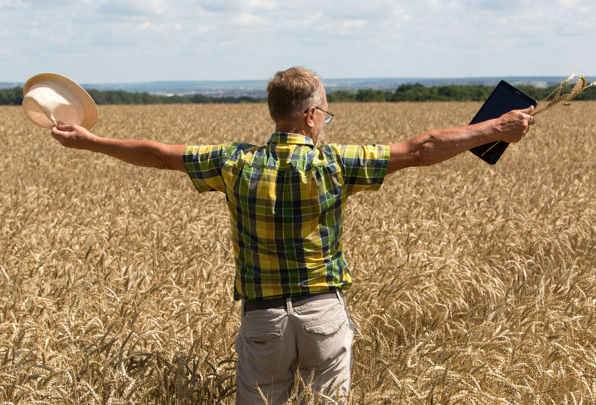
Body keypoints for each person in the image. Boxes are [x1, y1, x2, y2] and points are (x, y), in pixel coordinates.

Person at [50, 66, 535, 404]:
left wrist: (91, 142)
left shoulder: (234, 161)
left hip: (263, 322)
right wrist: (498, 125)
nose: (325, 121)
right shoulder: (333, 163)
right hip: (323, 314)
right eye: (324, 113)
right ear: (309, 114)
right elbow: (422, 148)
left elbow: (157, 154)